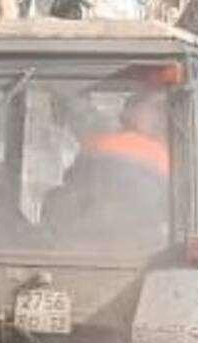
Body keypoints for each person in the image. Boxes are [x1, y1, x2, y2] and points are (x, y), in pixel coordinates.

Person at [41, 91, 171, 249]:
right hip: (135, 248)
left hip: (78, 245)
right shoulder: (168, 160)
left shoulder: (101, 142)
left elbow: (73, 181)